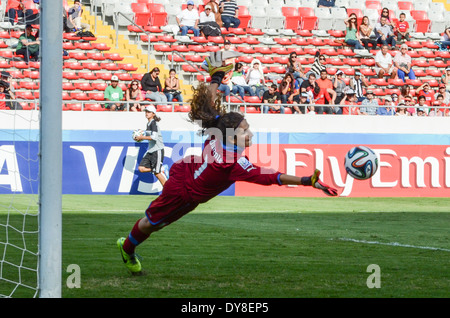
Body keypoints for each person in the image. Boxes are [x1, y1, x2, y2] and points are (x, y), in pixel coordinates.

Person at [116, 52, 338, 275]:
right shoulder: (234, 164)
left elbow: (207, 104)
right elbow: (272, 177)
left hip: (184, 169)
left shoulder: (217, 133)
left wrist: (216, 77)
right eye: (245, 131)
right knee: (151, 224)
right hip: (184, 194)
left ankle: (132, 241)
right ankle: (127, 248)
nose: (250, 133)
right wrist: (307, 181)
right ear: (233, 136)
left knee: (153, 220)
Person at [134, 105, 169, 187]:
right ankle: (162, 168)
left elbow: (154, 137)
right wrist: (140, 139)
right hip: (151, 150)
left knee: (157, 173)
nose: (147, 113)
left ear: (153, 114)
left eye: (149, 112)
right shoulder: (149, 123)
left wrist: (141, 137)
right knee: (141, 168)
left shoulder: (154, 123)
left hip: (157, 150)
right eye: (146, 111)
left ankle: (168, 192)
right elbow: (150, 137)